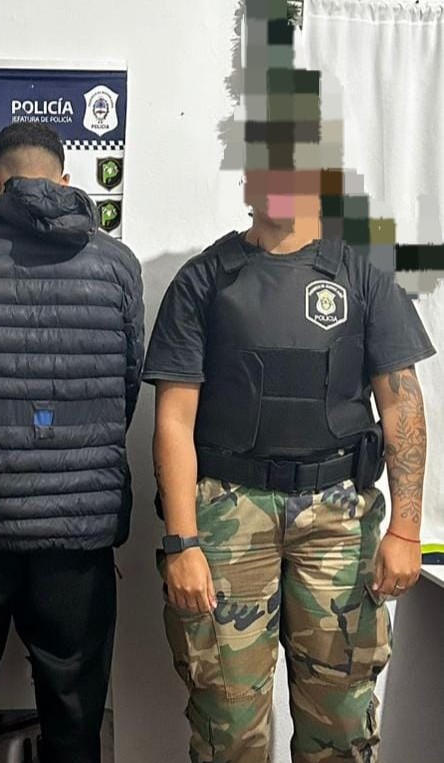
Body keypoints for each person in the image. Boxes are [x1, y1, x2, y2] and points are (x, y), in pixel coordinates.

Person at [144, 162, 435, 761]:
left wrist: (407, 530)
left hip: (338, 521)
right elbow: (173, 420)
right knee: (227, 724)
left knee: (341, 722)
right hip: (227, 519)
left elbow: (401, 404)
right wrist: (182, 543)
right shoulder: (204, 280)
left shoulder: (364, 276)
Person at [0, 123, 145, 763]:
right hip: (77, 537)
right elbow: (124, 392)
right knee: (74, 720)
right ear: (65, 179)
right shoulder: (116, 264)